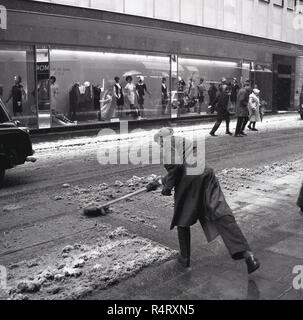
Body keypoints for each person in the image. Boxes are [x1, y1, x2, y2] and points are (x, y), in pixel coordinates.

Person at [150, 128, 260, 274]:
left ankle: (185, 258)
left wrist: (167, 187)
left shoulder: (168, 145)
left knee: (182, 217)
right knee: (220, 211)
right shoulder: (183, 141)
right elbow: (180, 167)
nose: (160, 145)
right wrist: (159, 182)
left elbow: (176, 168)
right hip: (206, 173)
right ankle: (248, 255)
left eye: (159, 142)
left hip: (190, 179)